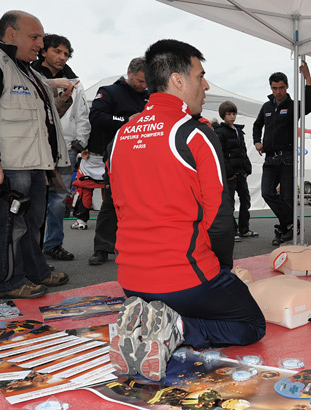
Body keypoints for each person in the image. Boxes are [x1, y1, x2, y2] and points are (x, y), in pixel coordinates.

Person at [108, 39, 265, 382]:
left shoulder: (120, 136)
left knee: (188, 295)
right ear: (178, 81)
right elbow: (221, 221)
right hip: (186, 277)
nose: (206, 86)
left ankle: (148, 321)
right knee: (251, 324)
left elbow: (119, 210)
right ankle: (174, 329)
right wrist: (223, 271)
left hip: (130, 281)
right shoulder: (194, 134)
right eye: (200, 76)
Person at [0, 10, 70, 299]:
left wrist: (61, 100)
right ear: (11, 34)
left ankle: (37, 271)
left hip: (34, 163)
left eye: (41, 37)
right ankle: (8, 283)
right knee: (9, 226)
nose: (40, 44)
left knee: (32, 224)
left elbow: (41, 118)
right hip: (10, 164)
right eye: (35, 37)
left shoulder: (26, 69)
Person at [32, 33, 90, 261]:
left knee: (57, 202)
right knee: (34, 201)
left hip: (64, 149)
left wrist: (79, 144)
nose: (62, 57)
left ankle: (53, 244)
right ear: (44, 51)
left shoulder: (75, 82)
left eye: (66, 53)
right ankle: (32, 250)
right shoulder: (28, 74)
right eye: (57, 51)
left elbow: (82, 115)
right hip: (34, 148)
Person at [87, 57, 149, 265]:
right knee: (112, 200)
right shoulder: (110, 91)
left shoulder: (150, 96)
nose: (143, 85)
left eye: (146, 81)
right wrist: (125, 121)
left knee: (144, 201)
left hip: (145, 155)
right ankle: (102, 247)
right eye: (140, 81)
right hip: (117, 154)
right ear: (129, 73)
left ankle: (138, 245)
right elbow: (96, 116)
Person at [253, 63, 311, 246]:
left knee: (287, 197)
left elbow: (309, 105)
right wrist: (257, 141)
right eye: (274, 88)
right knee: (267, 192)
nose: (278, 91)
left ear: (287, 86)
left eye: (281, 87)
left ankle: (284, 230)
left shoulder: (293, 105)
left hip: (287, 158)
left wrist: (308, 79)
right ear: (270, 87)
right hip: (270, 158)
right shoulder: (266, 106)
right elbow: (257, 125)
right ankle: (291, 224)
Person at [214, 101, 256, 241]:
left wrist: (247, 169)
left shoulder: (239, 131)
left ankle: (244, 229)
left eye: (234, 113)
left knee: (246, 200)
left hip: (241, 174)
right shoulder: (219, 132)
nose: (232, 116)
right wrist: (229, 173)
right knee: (229, 203)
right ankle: (232, 231)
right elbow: (221, 154)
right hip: (230, 176)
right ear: (223, 115)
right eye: (229, 114)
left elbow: (243, 151)